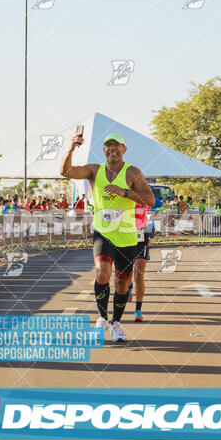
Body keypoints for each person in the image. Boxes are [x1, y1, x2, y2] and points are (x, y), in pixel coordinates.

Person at [60, 131, 154, 342]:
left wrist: (125, 193)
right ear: (104, 150)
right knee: (102, 272)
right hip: (103, 233)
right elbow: (65, 172)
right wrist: (71, 148)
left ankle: (116, 324)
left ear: (124, 149)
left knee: (122, 283)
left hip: (128, 236)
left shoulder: (133, 172)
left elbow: (149, 199)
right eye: (108, 145)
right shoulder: (94, 170)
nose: (112, 149)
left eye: (116, 145)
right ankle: (102, 318)